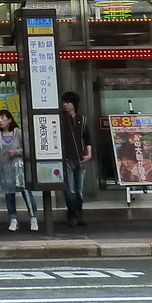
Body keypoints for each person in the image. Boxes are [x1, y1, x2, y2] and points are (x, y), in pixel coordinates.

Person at [0, 109, 39, 232]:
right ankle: (13, 220)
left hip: (19, 168)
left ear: (9, 119)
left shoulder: (18, 133)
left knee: (26, 193)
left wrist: (16, 152)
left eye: (2, 118)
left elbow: (29, 151)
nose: (0, 121)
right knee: (9, 195)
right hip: (5, 168)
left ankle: (33, 218)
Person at [60, 90, 92, 227]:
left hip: (80, 158)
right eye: (64, 102)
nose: (65, 105)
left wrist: (89, 154)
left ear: (74, 104)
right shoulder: (60, 119)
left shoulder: (82, 120)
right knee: (70, 190)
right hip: (67, 159)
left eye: (68, 102)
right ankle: (72, 215)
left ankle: (78, 214)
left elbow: (87, 137)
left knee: (78, 190)